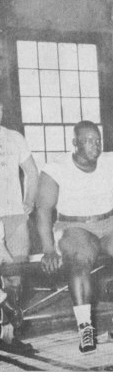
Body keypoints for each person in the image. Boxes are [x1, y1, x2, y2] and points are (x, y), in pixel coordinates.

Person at [35, 121, 113, 354]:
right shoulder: (56, 167)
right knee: (80, 259)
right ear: (75, 144)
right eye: (89, 141)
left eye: (98, 140)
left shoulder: (111, 160)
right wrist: (49, 249)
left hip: (108, 224)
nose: (96, 145)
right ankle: (85, 326)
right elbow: (42, 210)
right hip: (73, 226)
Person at [0, 102, 39, 353]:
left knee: (15, 275)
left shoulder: (13, 138)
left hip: (14, 215)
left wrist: (29, 200)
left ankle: (9, 337)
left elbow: (32, 172)